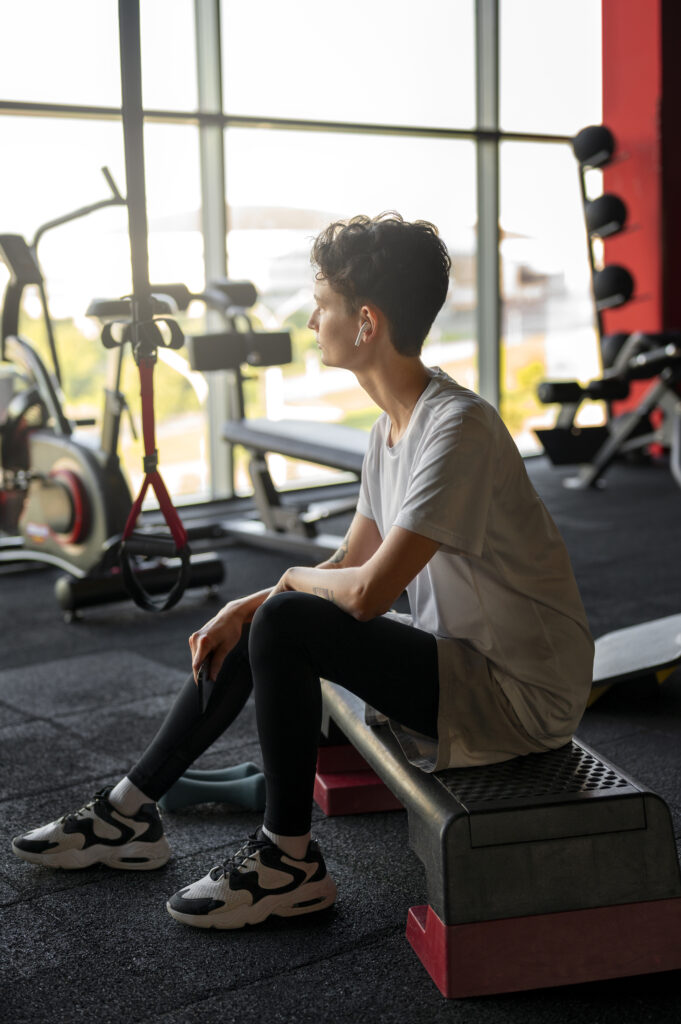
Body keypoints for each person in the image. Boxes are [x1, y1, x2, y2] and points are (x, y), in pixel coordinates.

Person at [11, 212, 594, 930]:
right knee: (271, 616)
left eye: (322, 304)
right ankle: (129, 810)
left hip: (518, 694)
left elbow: (371, 592)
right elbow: (348, 559)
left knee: (287, 618)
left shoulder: (456, 429)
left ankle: (287, 863)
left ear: (366, 321)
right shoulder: (392, 428)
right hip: (468, 662)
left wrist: (278, 593)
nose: (313, 318)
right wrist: (249, 603)